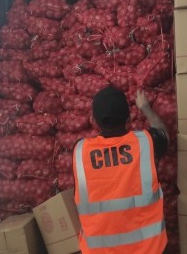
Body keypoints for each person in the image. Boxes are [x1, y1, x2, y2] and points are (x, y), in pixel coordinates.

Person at [72, 86, 169, 254]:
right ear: (129, 118)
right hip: (148, 250)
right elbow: (163, 134)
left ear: (94, 121)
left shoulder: (80, 151)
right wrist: (145, 107)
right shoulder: (146, 143)